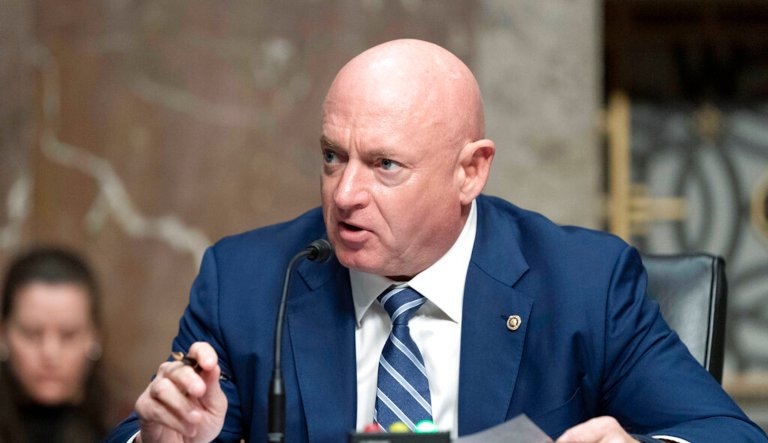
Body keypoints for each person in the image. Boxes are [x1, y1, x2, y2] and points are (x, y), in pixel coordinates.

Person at [107, 39, 767, 442]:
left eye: (385, 165)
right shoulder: (250, 281)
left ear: (470, 170)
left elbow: (727, 434)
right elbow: (160, 428)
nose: (343, 194)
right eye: (333, 156)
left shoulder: (584, 284)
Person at [0, 247, 111, 442]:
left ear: (95, 337)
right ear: (3, 334)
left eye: (69, 335)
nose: (50, 353)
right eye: (32, 333)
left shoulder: (131, 427)